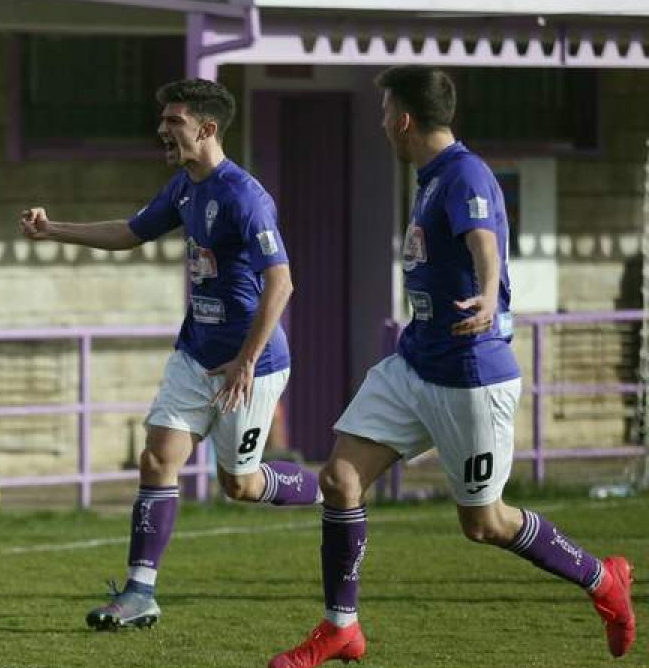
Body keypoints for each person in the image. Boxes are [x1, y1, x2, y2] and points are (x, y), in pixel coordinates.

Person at [269, 66, 636, 667]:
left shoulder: (464, 173)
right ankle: (341, 627)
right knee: (340, 478)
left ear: (405, 119)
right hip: (415, 363)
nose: (382, 123)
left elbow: (484, 242)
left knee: (484, 523)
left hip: (471, 375)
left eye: (385, 112)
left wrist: (490, 295)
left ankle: (604, 580)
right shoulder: (431, 177)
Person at [20, 78, 322, 631]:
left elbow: (281, 282)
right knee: (158, 457)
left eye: (173, 121)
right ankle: (139, 593)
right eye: (162, 121)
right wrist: (52, 230)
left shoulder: (244, 196)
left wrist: (248, 360)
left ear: (206, 128)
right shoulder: (185, 187)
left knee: (241, 485)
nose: (162, 129)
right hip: (195, 353)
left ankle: (327, 487)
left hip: (250, 365)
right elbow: (130, 232)